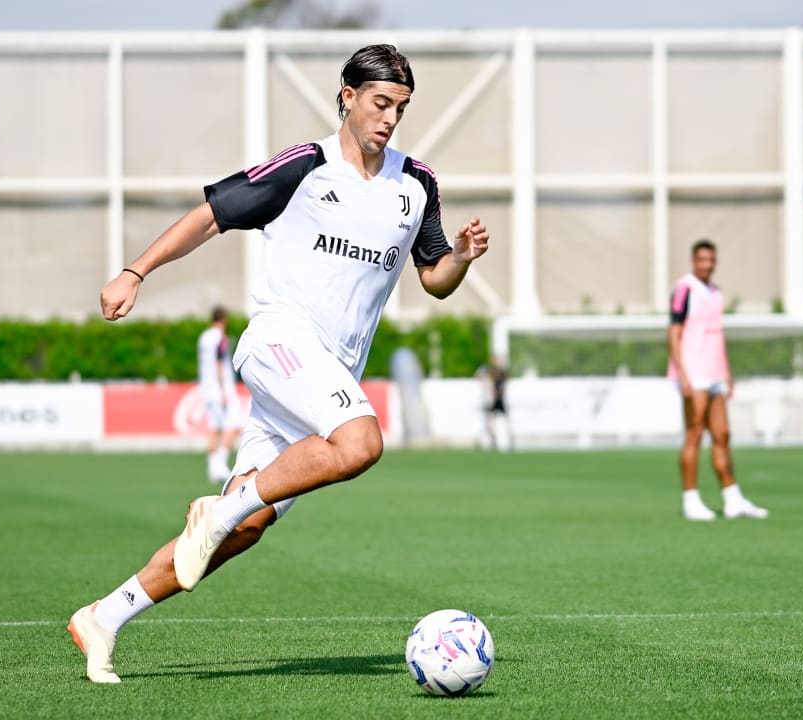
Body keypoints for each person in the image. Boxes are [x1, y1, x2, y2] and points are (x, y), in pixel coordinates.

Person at [68, 44, 491, 684]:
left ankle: (104, 616)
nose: (390, 118)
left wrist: (458, 254)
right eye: (380, 103)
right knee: (360, 442)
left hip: (326, 376)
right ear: (346, 96)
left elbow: (434, 280)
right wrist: (136, 271)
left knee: (246, 526)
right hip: (279, 343)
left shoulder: (417, 184)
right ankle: (221, 508)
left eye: (401, 108)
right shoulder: (305, 168)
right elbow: (211, 217)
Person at [667, 239, 767, 522]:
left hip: (714, 373)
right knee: (694, 433)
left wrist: (727, 372)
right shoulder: (684, 289)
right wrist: (682, 373)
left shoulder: (716, 292)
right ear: (693, 261)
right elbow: (674, 332)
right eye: (702, 260)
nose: (707, 265)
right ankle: (691, 499)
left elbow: (718, 335)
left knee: (722, 435)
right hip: (693, 372)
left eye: (711, 260)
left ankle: (733, 498)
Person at [198, 305, 243, 483]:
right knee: (234, 424)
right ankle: (220, 465)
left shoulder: (203, 337)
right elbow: (218, 363)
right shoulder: (220, 338)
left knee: (214, 428)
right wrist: (224, 389)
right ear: (224, 320)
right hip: (221, 388)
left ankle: (212, 468)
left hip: (206, 388)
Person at [476, 354, 510, 450]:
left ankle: (507, 439)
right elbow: (482, 379)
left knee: (504, 419)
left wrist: (502, 393)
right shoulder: (490, 371)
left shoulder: (502, 371)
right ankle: (491, 439)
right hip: (492, 399)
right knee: (490, 419)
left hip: (500, 399)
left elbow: (506, 382)